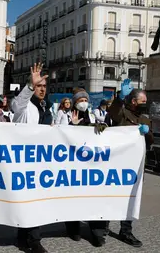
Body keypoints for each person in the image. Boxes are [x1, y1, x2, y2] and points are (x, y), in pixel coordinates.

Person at [104, 78, 153, 248]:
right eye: (143, 101)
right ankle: (102, 226)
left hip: (136, 167)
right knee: (111, 196)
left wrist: (147, 134)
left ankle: (126, 230)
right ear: (133, 101)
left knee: (131, 199)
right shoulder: (123, 113)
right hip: (118, 165)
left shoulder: (145, 119)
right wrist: (119, 98)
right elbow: (113, 114)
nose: (145, 104)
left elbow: (151, 141)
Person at [10, 63, 51, 253]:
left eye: (43, 86)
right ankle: (29, 238)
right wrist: (29, 85)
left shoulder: (48, 109)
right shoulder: (25, 108)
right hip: (24, 162)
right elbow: (16, 105)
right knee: (26, 201)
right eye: (38, 86)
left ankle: (30, 237)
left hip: (42, 162)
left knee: (37, 201)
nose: (41, 89)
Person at [68, 89, 108, 247]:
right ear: (74, 103)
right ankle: (73, 228)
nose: (83, 103)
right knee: (73, 198)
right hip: (73, 166)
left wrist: (102, 128)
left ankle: (97, 232)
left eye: (85, 99)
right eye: (79, 101)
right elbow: (59, 137)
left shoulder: (92, 116)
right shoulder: (68, 116)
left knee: (94, 198)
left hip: (91, 165)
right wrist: (72, 126)